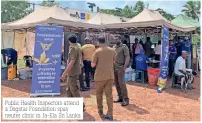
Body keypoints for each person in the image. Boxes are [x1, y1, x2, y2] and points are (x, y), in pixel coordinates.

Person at [91, 36, 115, 121]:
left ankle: (100, 111)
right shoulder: (112, 50)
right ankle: (110, 114)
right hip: (110, 75)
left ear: (98, 42)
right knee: (109, 96)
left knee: (99, 94)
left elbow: (93, 65)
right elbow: (113, 61)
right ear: (105, 41)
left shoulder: (97, 51)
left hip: (100, 77)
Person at [60, 34, 85, 111]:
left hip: (72, 72)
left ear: (69, 41)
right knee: (68, 89)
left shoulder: (73, 48)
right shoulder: (78, 45)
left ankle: (81, 106)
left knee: (73, 89)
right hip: (74, 71)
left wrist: (64, 73)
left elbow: (72, 62)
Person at [114, 38, 130, 106]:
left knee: (122, 84)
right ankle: (120, 97)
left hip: (121, 67)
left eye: (117, 38)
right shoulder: (114, 47)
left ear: (119, 39)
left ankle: (125, 99)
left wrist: (124, 67)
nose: (115, 40)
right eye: (115, 38)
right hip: (114, 67)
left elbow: (127, 57)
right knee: (116, 83)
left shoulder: (124, 47)